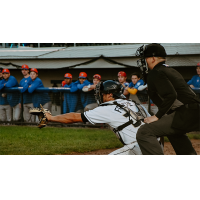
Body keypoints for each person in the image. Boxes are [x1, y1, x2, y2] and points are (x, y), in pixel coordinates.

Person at [43, 80, 163, 155]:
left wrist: (51, 118)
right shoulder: (133, 103)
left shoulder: (107, 107)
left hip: (140, 147)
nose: (99, 96)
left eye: (102, 93)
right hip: (158, 144)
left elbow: (74, 117)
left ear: (110, 94)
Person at [135, 43, 200, 155]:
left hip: (187, 113)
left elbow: (171, 95)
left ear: (153, 58)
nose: (143, 61)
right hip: (193, 111)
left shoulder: (155, 72)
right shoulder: (169, 69)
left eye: (145, 57)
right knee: (172, 131)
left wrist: (157, 116)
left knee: (144, 132)